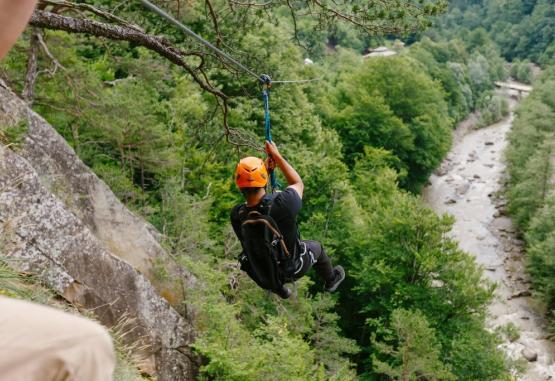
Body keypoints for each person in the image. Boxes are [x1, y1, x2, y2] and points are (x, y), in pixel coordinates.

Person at [0, 1, 116, 380]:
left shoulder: (247, 215)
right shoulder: (277, 205)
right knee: (84, 350)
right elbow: (296, 184)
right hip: (283, 259)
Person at [231, 141, 345, 298]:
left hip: (262, 273)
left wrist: (264, 171)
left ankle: (280, 289)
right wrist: (277, 157)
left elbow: (255, 202)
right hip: (291, 268)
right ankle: (332, 280)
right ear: (263, 180)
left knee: (267, 254)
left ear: (239, 184)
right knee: (317, 248)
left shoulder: (238, 214)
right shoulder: (283, 204)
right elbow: (298, 183)